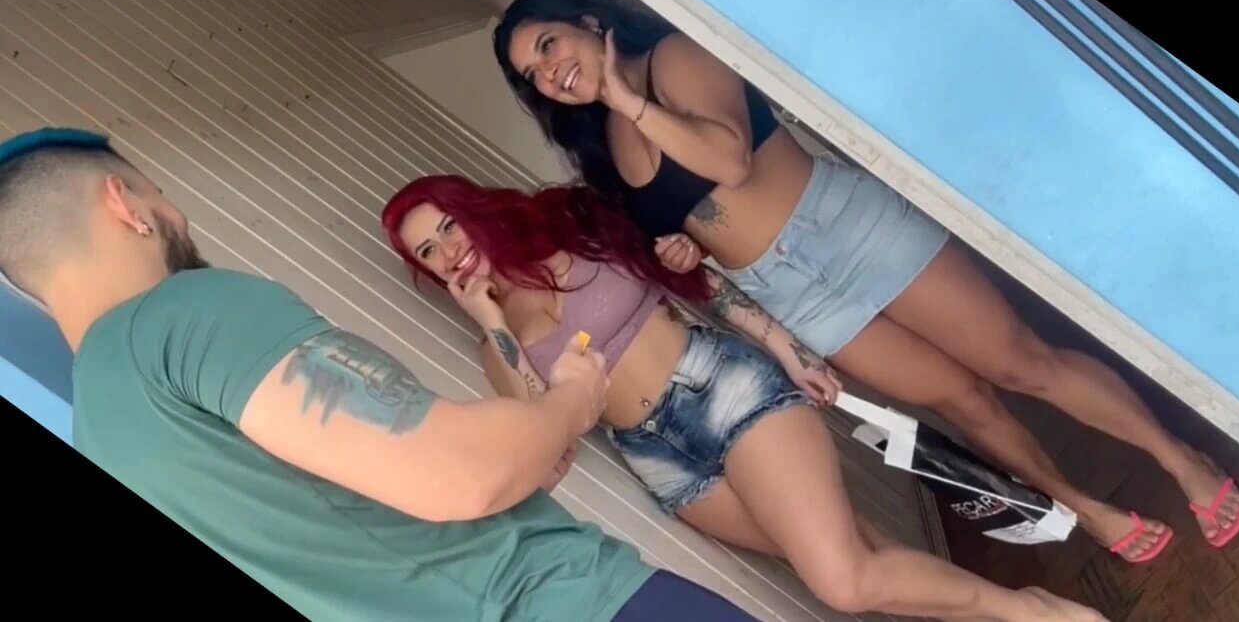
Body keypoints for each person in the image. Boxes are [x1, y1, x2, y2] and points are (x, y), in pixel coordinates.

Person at [490, 0, 1239, 564]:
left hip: (844, 226)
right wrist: (683, 251)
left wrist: (628, 99)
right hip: (789, 290)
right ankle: (1084, 505)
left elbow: (729, 160)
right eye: (533, 75)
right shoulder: (602, 151)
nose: (550, 73)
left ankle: (1181, 460)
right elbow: (689, 227)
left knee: (1023, 363)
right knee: (963, 403)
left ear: (590, 22)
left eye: (548, 44)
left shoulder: (674, 58)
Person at [0, 127, 761, 622]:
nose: (176, 213)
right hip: (556, 602)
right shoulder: (183, 312)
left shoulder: (98, 431)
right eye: (162, 194)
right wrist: (570, 401)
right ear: (124, 202)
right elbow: (459, 474)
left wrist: (525, 446)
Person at [381, 172, 1106, 622]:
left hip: (721, 389)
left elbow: (692, 281)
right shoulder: (493, 346)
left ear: (470, 208)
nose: (449, 250)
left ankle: (1034, 615)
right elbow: (547, 434)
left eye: (446, 226)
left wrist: (784, 347)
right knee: (865, 554)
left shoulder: (567, 220)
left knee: (843, 582)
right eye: (429, 252)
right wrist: (489, 320)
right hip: (664, 464)